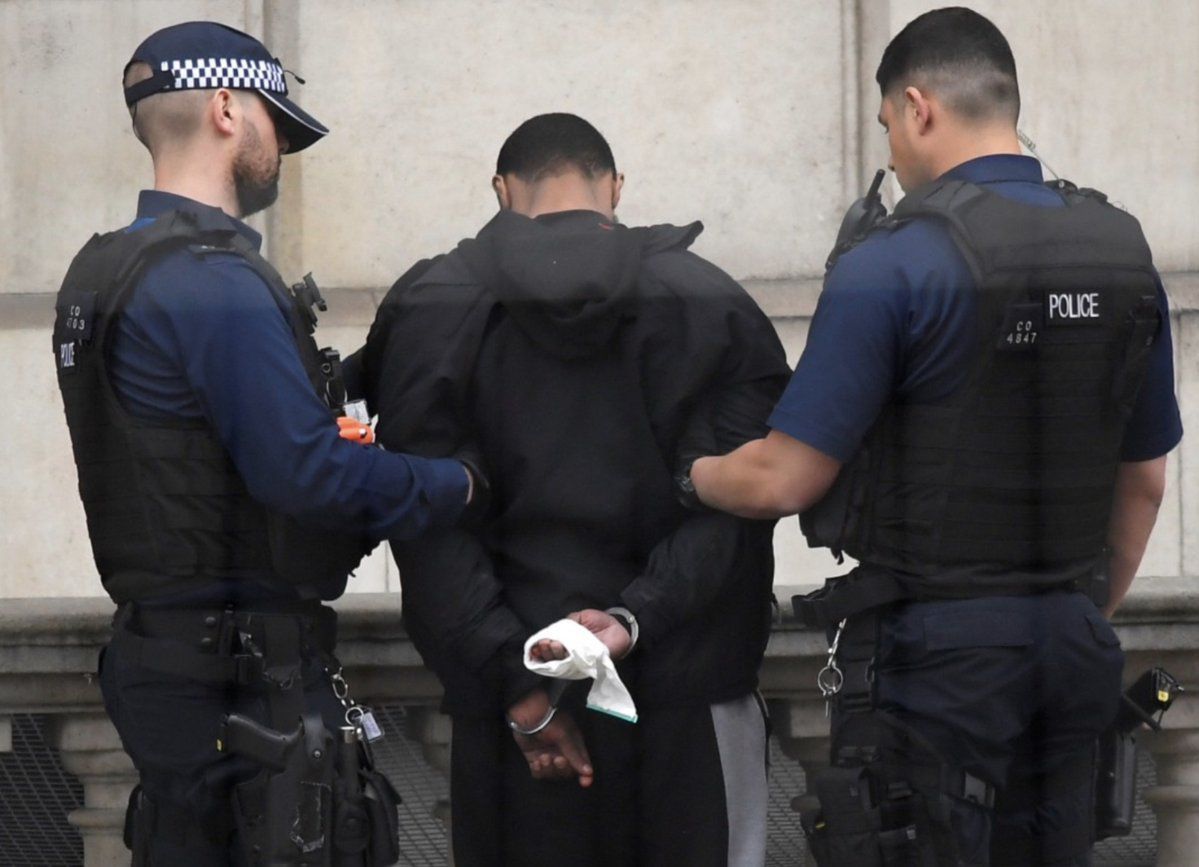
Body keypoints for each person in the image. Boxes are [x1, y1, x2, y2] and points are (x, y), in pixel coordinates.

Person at [686, 7, 1181, 867]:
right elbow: (1143, 482)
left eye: (886, 126)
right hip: (1069, 645)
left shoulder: (894, 261)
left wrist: (689, 474)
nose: (889, 154)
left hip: (939, 656)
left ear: (918, 107)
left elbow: (783, 478)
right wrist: (1071, 612)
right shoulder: (1120, 246)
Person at [53, 21, 477, 866]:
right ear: (224, 108)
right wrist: (457, 483)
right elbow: (304, 474)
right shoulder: (214, 279)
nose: (280, 143)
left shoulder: (100, 270)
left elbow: (185, 435)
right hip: (239, 674)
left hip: (164, 658)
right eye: (272, 119)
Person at [356, 113, 791, 866]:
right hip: (685, 694)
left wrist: (517, 684)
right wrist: (629, 619)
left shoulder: (431, 308)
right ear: (614, 189)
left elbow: (426, 523)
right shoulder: (706, 301)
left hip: (512, 718)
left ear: (501, 191)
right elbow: (737, 505)